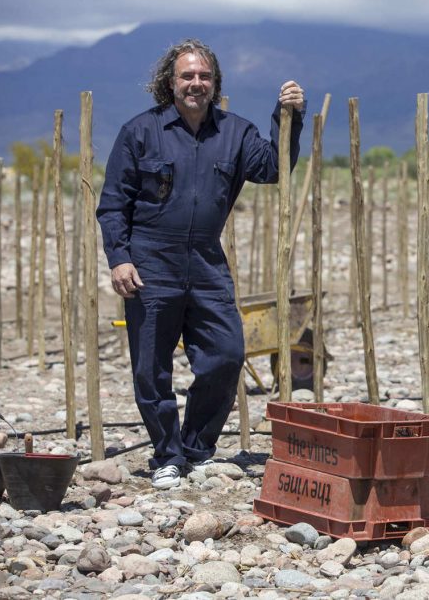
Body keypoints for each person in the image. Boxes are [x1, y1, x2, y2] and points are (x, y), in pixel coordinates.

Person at [97, 39, 304, 489]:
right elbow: (113, 204)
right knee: (151, 366)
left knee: (226, 355)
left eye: (204, 76)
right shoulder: (140, 132)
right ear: (169, 83)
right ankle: (167, 454)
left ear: (215, 84)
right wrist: (119, 258)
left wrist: (288, 116)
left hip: (207, 260)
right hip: (151, 260)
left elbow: (272, 168)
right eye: (187, 76)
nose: (196, 84)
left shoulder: (236, 132)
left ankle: (195, 448)